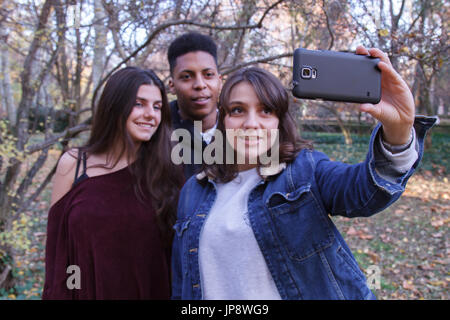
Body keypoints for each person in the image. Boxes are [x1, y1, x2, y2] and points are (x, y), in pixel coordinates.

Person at [171, 47, 437, 300]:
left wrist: (399, 131)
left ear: (279, 120)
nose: (251, 123)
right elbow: (183, 284)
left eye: (266, 110)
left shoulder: (304, 171)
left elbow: (365, 191)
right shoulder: (194, 191)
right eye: (238, 110)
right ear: (224, 120)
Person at [43, 67, 183, 299]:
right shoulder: (74, 164)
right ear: (115, 106)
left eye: (157, 107)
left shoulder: (167, 170)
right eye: (139, 104)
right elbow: (58, 250)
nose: (151, 114)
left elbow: (177, 257)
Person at [167, 32, 222, 179]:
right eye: (187, 77)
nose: (199, 85)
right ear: (172, 85)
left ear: (219, 81)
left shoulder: (241, 127)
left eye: (208, 74)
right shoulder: (157, 131)